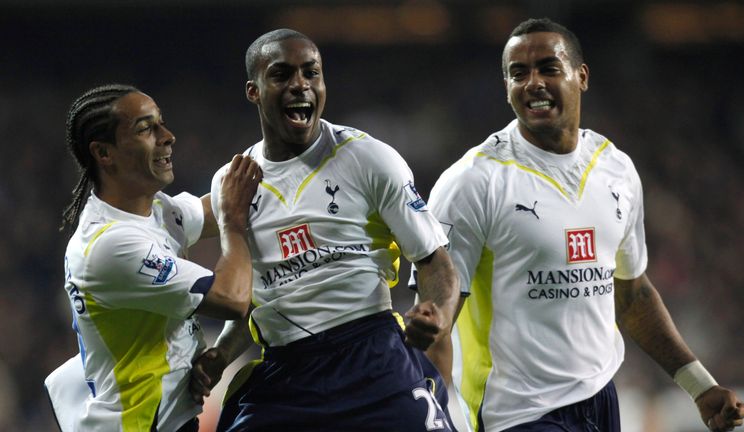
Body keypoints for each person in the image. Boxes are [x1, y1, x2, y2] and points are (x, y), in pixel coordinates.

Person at [414, 18, 744, 432]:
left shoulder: (616, 168)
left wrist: (699, 385)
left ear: (581, 76)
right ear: (506, 87)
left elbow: (631, 295)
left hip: (601, 400)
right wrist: (438, 418)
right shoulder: (472, 182)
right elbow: (436, 321)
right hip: (516, 414)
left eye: (548, 68)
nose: (532, 82)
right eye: (518, 73)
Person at [189, 29, 460, 431]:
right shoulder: (233, 182)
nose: (301, 85)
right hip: (289, 374)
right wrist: (223, 353)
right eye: (282, 75)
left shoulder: (367, 158)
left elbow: (436, 263)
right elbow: (253, 298)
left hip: (372, 356)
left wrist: (437, 311)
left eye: (311, 73)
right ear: (254, 90)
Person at [54, 84, 262, 431]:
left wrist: (284, 178)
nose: (168, 136)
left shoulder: (154, 209)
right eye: (145, 128)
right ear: (104, 153)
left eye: (161, 124)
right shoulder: (110, 245)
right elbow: (232, 298)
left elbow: (224, 205)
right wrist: (236, 222)